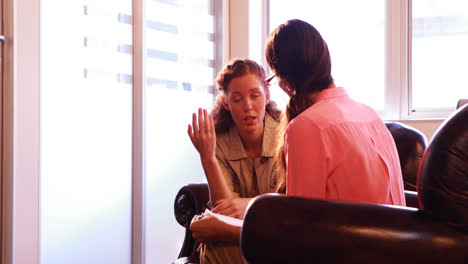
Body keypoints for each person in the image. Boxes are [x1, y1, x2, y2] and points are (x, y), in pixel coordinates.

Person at [190, 19, 406, 245]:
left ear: (282, 81)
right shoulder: (369, 114)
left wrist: (228, 233)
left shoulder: (307, 127)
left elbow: (298, 237)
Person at [188, 59, 282, 264]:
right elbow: (225, 212)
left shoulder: (286, 135)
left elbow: (289, 209)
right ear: (226, 103)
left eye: (255, 96)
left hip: (278, 234)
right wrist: (208, 158)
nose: (247, 106)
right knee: (216, 247)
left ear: (266, 96)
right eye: (237, 99)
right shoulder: (219, 141)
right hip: (238, 236)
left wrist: (248, 204)